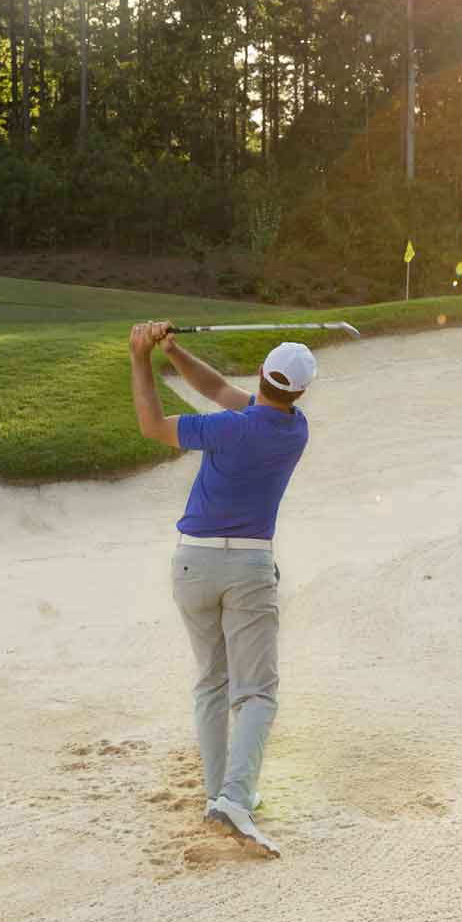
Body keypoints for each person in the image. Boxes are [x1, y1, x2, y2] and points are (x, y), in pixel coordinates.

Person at [128, 321, 314, 858]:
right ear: (298, 392)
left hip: (192, 564)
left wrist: (142, 357)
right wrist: (174, 352)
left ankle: (222, 795)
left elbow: (152, 424)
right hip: (249, 569)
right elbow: (214, 389)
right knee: (256, 692)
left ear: (261, 375)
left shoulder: (227, 428)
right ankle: (234, 797)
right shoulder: (293, 429)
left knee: (212, 682)